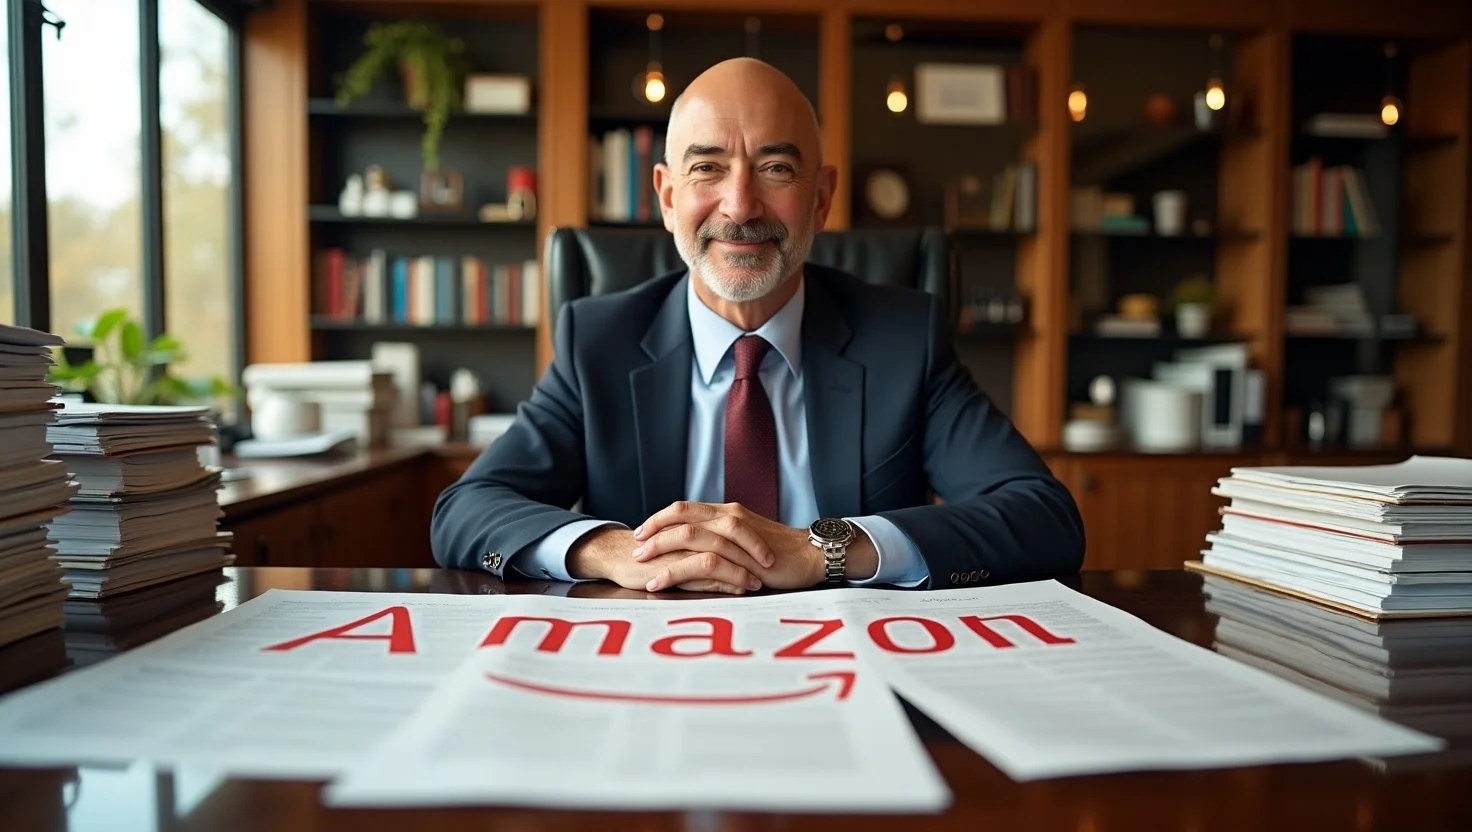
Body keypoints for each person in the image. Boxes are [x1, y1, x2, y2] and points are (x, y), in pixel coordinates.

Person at [432, 58, 1084, 594]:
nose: (740, 206)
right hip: (649, 670)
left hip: (850, 668)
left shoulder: (903, 338)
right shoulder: (597, 340)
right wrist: (609, 549)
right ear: (666, 197)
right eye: (707, 167)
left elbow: (1044, 517)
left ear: (822, 198)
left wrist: (825, 548)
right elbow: (466, 509)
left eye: (775, 168)